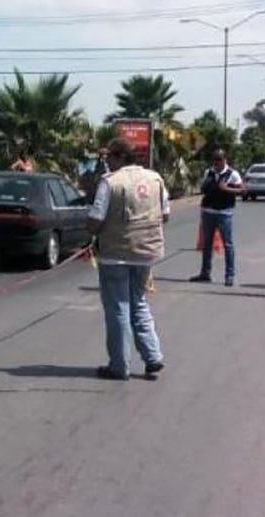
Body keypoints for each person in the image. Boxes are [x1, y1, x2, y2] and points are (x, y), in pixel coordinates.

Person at [87, 138, 168, 382]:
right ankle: (153, 357)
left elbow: (96, 218)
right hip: (145, 253)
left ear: (119, 157)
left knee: (118, 308)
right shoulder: (155, 179)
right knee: (139, 302)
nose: (107, 162)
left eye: (109, 157)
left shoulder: (111, 182)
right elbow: (165, 215)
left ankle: (119, 366)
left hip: (115, 255)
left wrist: (91, 232)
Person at [190, 148, 243, 287]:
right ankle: (205, 273)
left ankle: (229, 275)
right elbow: (203, 188)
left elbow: (243, 190)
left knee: (228, 245)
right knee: (207, 244)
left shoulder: (232, 174)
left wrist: (227, 189)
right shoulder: (209, 172)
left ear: (225, 159)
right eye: (214, 159)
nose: (216, 162)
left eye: (219, 159)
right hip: (208, 212)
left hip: (224, 213)